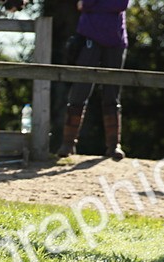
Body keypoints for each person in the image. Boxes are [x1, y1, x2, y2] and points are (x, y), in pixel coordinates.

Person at [57, 0, 131, 160]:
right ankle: (68, 143)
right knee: (80, 89)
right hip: (89, 36)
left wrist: (92, 6)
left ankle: (113, 145)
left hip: (115, 39)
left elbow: (119, 4)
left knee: (112, 92)